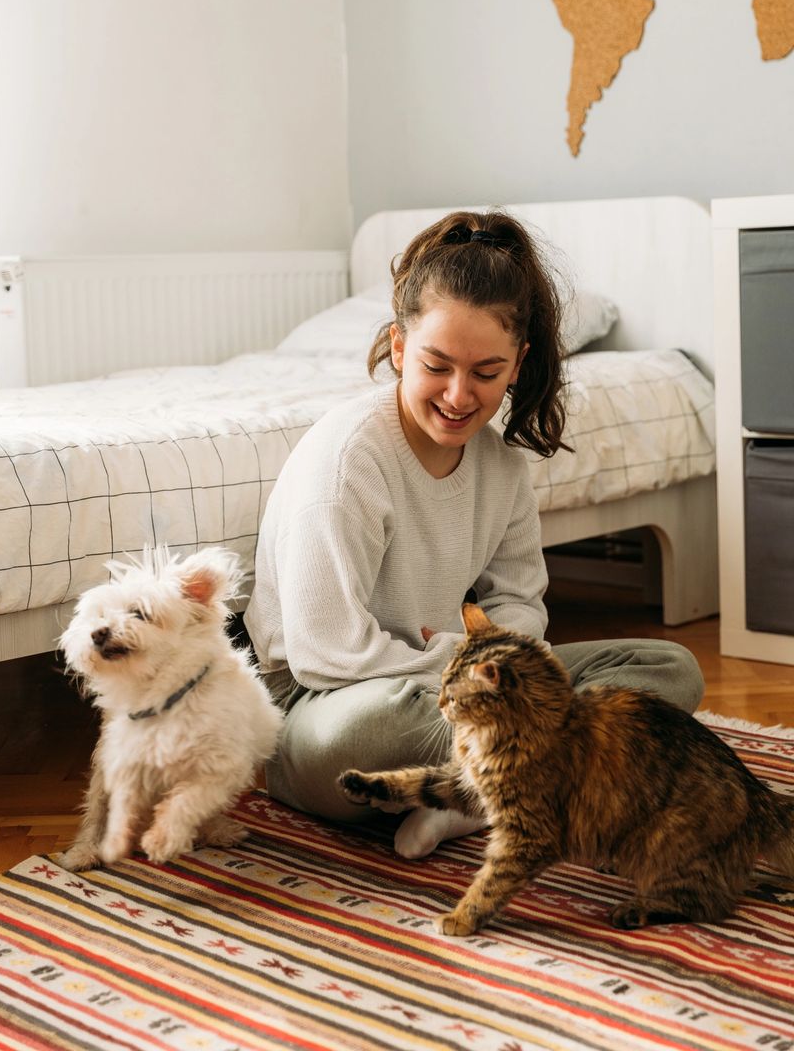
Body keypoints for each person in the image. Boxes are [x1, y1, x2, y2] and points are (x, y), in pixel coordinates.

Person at [243, 210, 704, 859]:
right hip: (327, 708)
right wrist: (466, 665)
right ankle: (519, 785)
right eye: (437, 365)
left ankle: (466, 802)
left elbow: (522, 606)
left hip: (461, 692)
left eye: (486, 373)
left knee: (667, 669)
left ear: (516, 365)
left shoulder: (501, 467)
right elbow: (325, 653)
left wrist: (493, 665)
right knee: (362, 734)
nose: (459, 395)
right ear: (400, 348)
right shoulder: (348, 461)